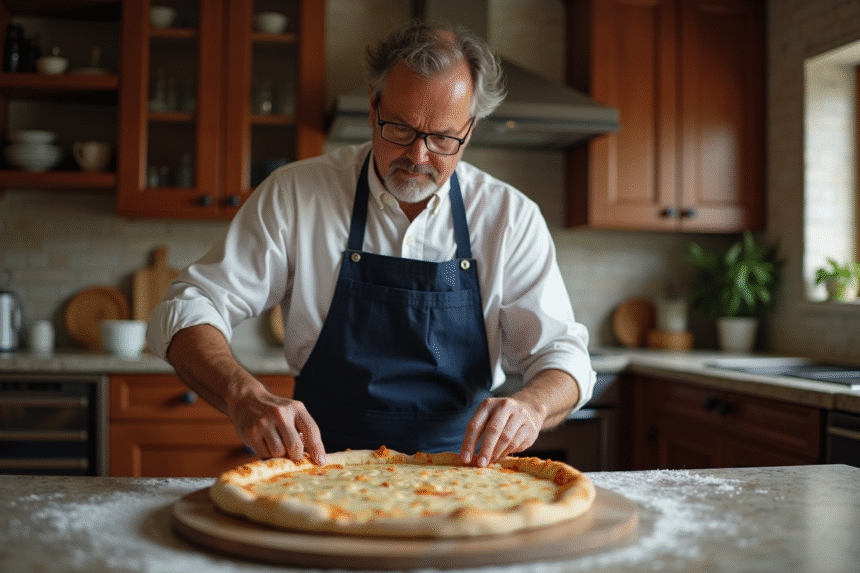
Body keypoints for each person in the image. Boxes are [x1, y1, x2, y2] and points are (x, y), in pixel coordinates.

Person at [147, 19, 595, 469]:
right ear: (372, 105)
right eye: (399, 128)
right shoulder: (297, 194)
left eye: (442, 138)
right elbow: (190, 304)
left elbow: (564, 355)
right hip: (319, 469)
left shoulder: (509, 218)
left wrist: (533, 406)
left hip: (463, 473)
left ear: (471, 130)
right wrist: (242, 394)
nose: (418, 157)